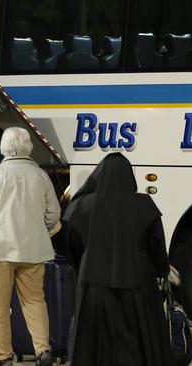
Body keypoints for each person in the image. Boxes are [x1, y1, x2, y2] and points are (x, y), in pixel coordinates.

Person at [63, 153, 174, 366]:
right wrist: (161, 270)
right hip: (138, 286)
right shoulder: (144, 205)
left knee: (95, 347)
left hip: (94, 287)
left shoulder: (82, 206)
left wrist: (84, 269)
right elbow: (157, 247)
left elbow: (72, 247)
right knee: (137, 347)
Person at [0, 127, 60, 366]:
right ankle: (43, 350)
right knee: (35, 301)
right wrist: (41, 229)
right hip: (33, 250)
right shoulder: (40, 176)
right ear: (28, 146)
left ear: (3, 148)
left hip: (0, 251)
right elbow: (54, 213)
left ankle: (4, 357)